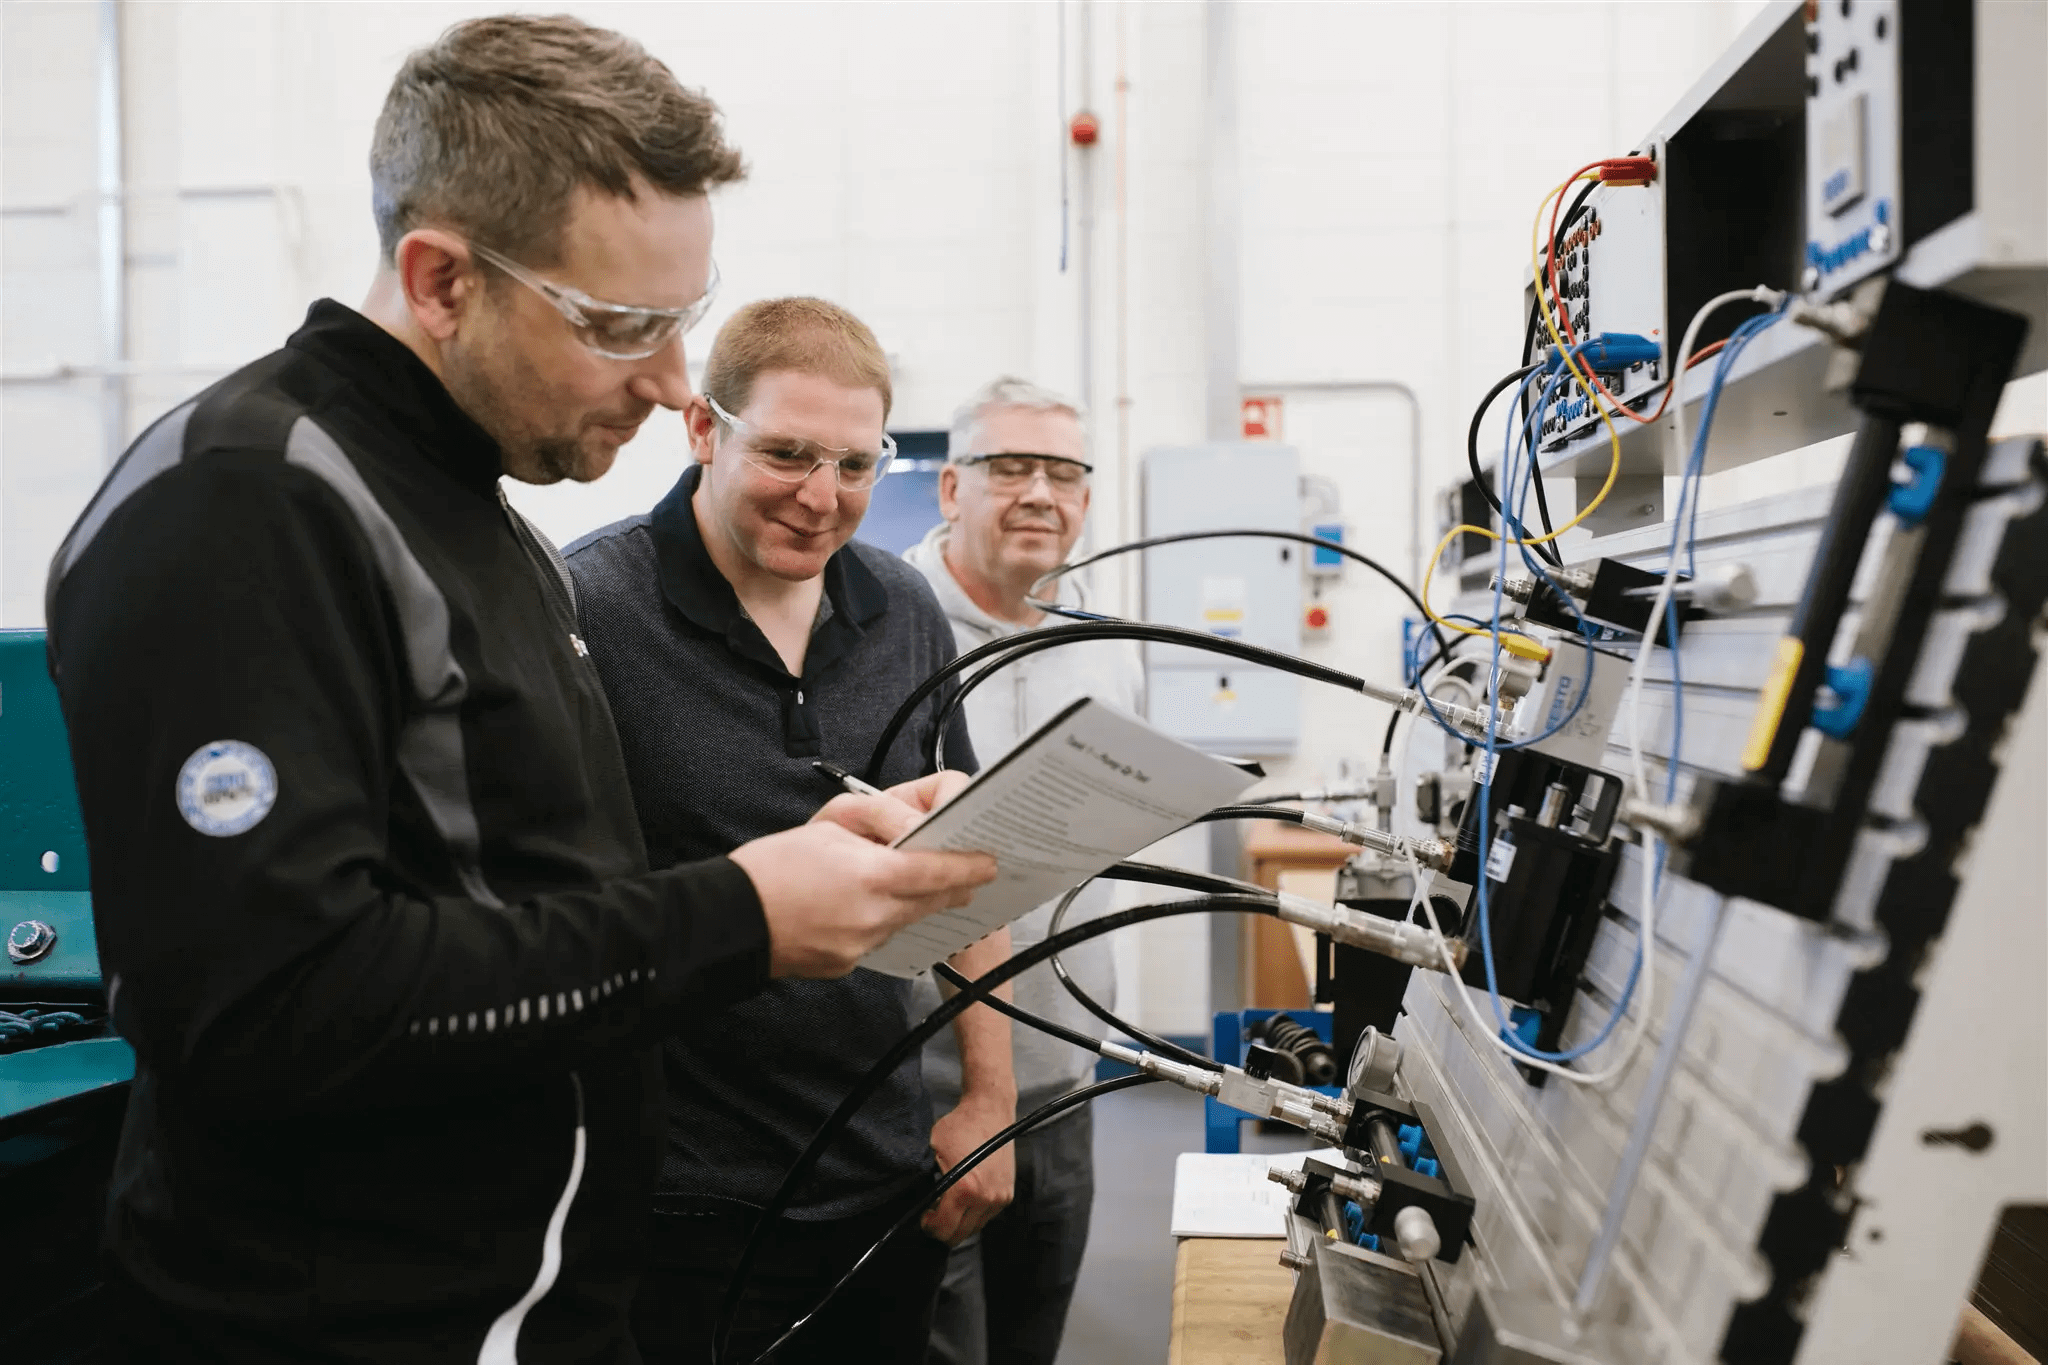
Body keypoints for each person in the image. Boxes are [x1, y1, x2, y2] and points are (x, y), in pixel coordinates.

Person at [43, 18, 993, 1364]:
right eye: (620, 326)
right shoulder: (245, 505)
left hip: (535, 1307)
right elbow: (267, 1008)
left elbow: (530, 906)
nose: (670, 384)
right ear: (442, 279)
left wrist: (790, 870)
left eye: (685, 323)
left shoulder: (489, 526)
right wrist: (739, 915)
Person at [565, 300, 1019, 1364]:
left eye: (856, 466)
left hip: (879, 1176)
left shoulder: (903, 608)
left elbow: (961, 864)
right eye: (786, 453)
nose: (822, 499)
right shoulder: (586, 605)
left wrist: (988, 1098)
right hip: (671, 1205)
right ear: (701, 430)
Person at [904, 377, 1145, 1365]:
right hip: (916, 1098)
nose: (1040, 492)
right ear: (951, 487)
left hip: (1063, 1083)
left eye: (1063, 473)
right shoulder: (876, 631)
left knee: (1027, 1345)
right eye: (1011, 468)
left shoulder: (1104, 647)